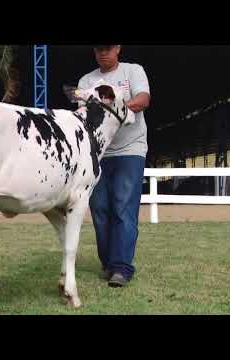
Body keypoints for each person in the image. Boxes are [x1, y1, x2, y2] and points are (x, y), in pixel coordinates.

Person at [78, 45, 151, 287]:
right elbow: (81, 112)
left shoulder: (133, 71)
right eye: (98, 49)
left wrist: (113, 108)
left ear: (118, 48)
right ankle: (108, 263)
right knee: (99, 210)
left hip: (131, 149)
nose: (103, 53)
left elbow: (143, 99)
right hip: (97, 154)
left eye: (108, 48)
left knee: (123, 207)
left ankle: (121, 267)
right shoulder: (87, 80)